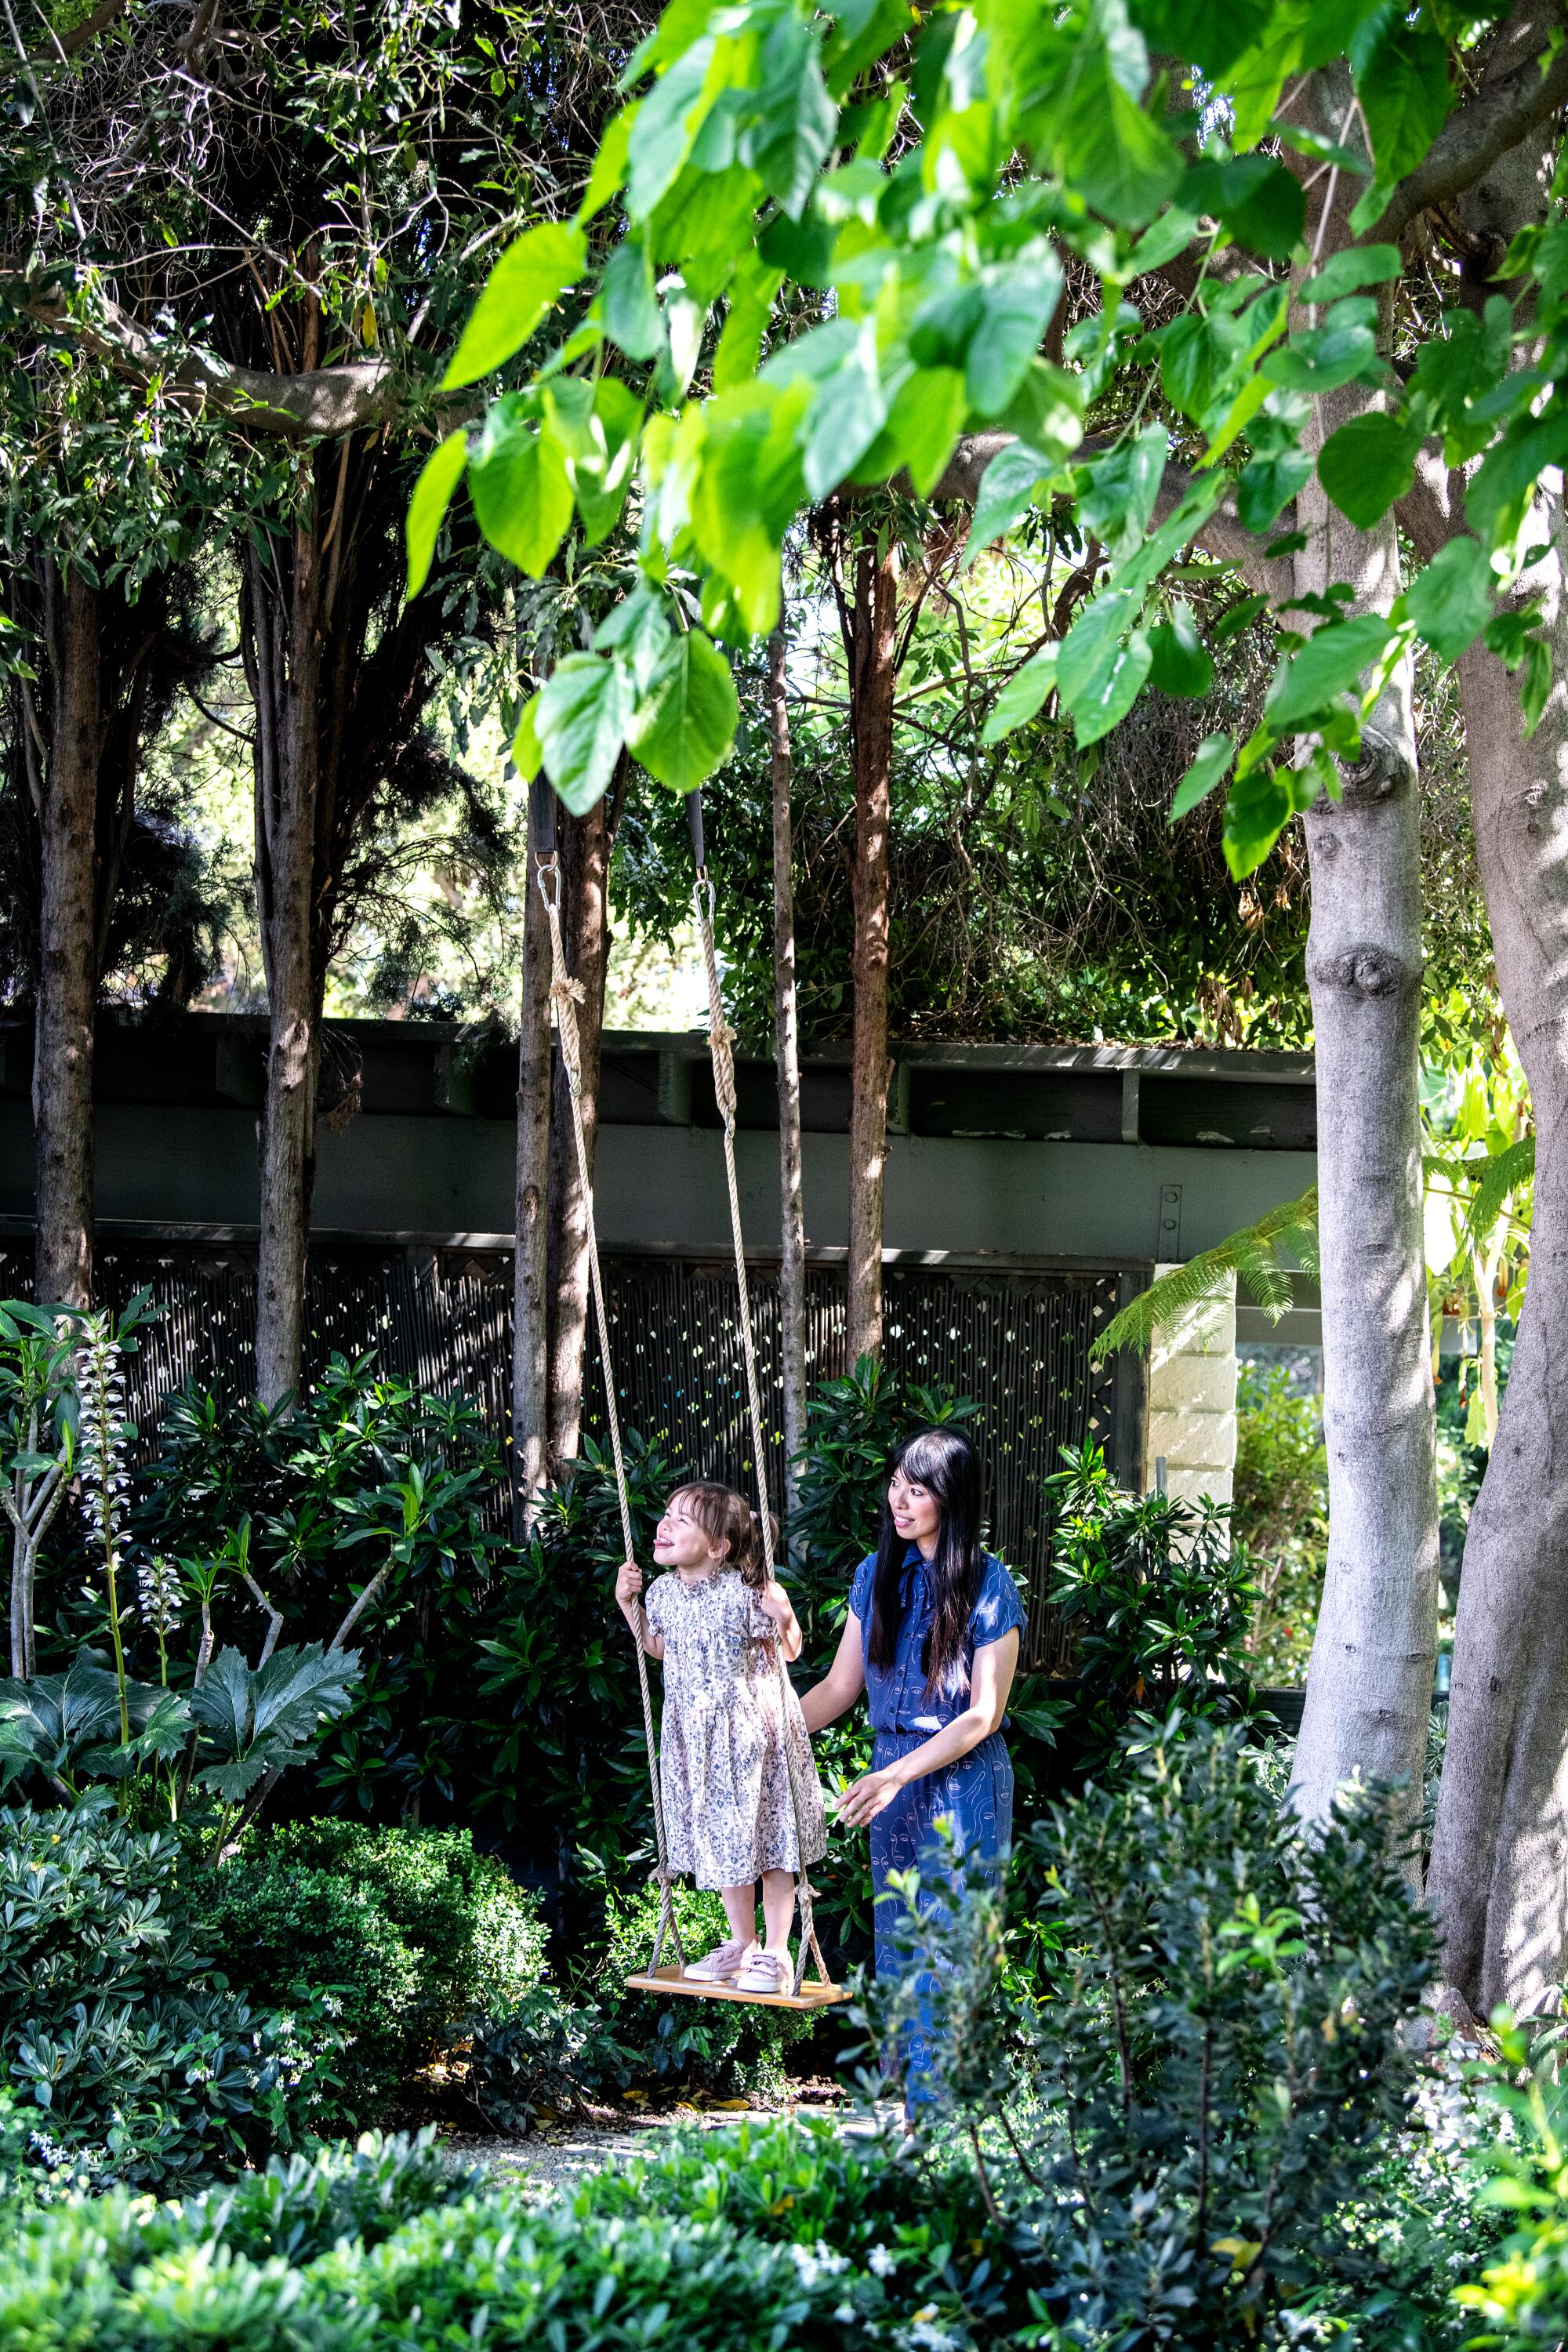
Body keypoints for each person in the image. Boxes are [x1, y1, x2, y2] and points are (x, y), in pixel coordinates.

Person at [800, 1425, 1024, 2103]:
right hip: (891, 1778)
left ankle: (947, 2123)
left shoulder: (989, 1582)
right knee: (900, 1943)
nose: (900, 1499)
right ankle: (919, 2125)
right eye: (896, 1482)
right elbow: (839, 1689)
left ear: (949, 1500)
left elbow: (982, 1712)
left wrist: (897, 1775)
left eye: (917, 1488)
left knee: (950, 1951)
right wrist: (764, 1735)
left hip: (963, 1782)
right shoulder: (874, 1576)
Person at [616, 1481, 827, 1994]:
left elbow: (791, 1651)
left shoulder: (745, 1590)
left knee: (770, 1839)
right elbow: (658, 1647)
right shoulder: (663, 1591)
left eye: (681, 1521)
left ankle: (776, 1953)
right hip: (698, 1738)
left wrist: (786, 1615)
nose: (664, 1526)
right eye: (666, 1515)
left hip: (752, 1736)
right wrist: (630, 1605)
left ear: (718, 1547)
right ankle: (742, 1944)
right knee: (722, 1838)